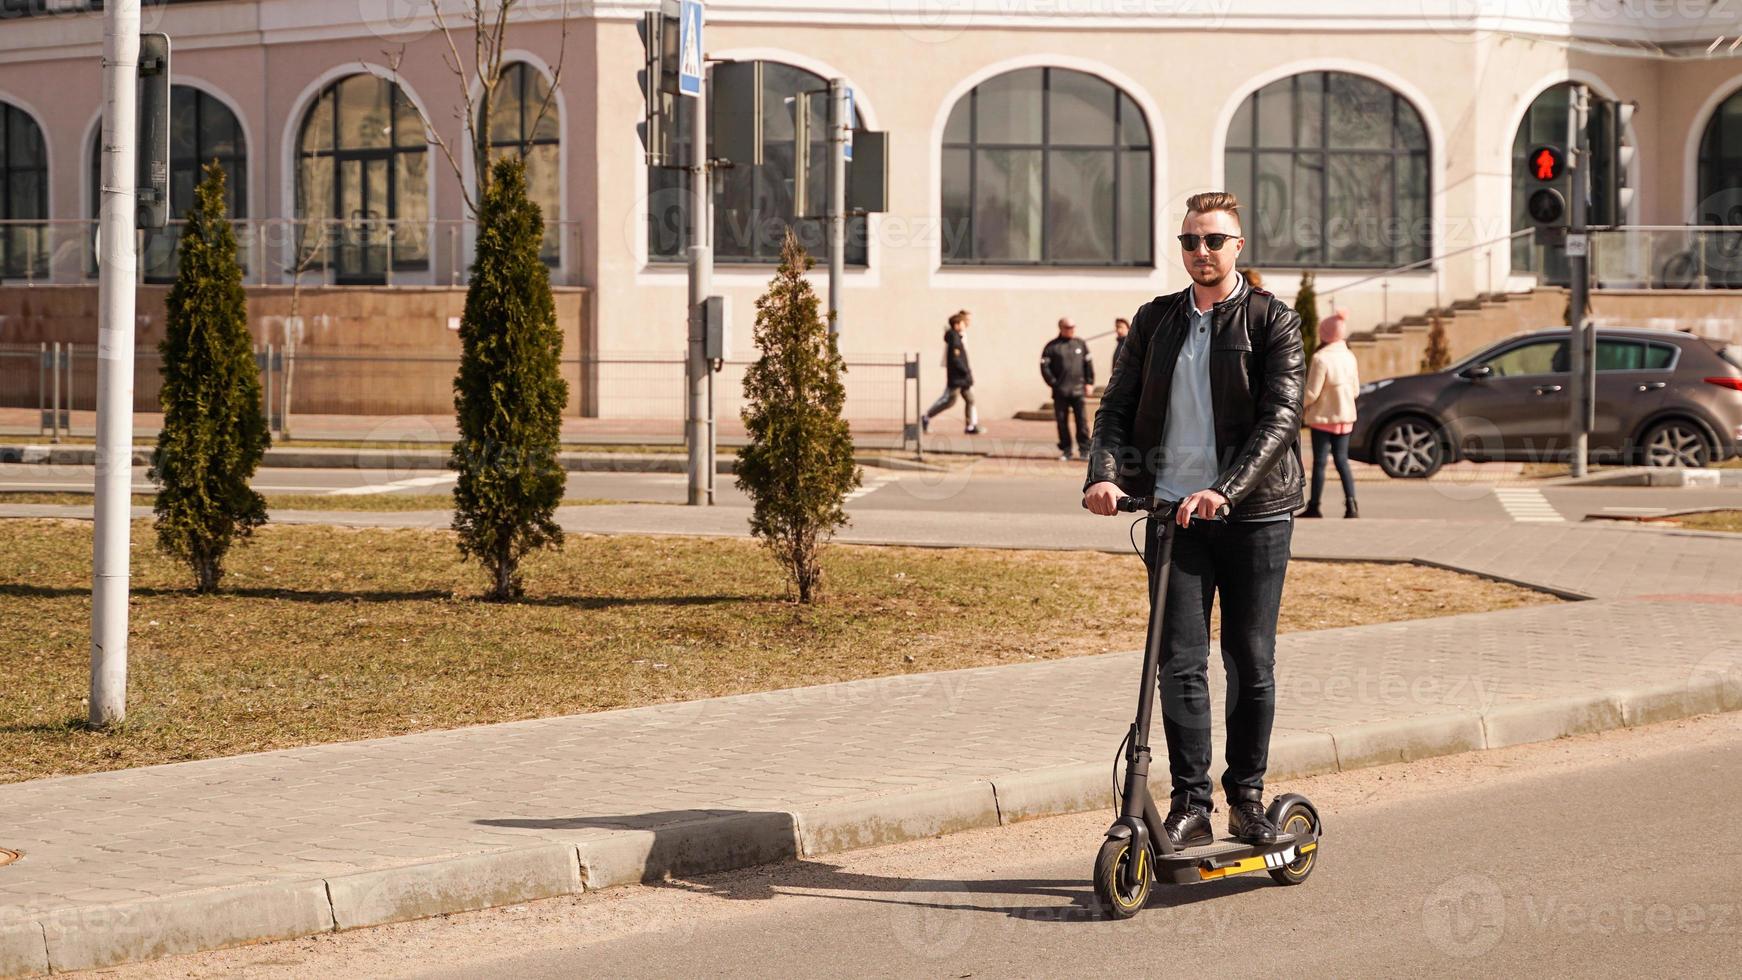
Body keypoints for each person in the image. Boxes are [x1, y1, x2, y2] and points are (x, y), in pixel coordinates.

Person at [1083, 191, 1305, 849]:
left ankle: (1248, 799)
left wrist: (1225, 490)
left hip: (1254, 515)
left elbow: (1281, 418)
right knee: (1178, 663)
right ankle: (1191, 804)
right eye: (1189, 242)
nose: (1200, 252)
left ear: (1238, 247)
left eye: (1213, 240)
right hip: (1170, 515)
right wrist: (1104, 474)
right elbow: (1115, 410)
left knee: (1249, 658)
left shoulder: (1272, 321)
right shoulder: (1155, 321)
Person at [1301, 308, 1360, 518]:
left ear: (1324, 333)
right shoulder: (1349, 356)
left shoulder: (1320, 358)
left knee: (1319, 463)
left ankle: (1315, 506)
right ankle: (1351, 506)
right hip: (1345, 417)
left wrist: (1299, 406)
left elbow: (1311, 392)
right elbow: (1355, 390)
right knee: (1342, 461)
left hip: (1323, 418)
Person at [1041, 318, 1095, 461]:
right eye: (1068, 327)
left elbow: (1088, 365)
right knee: (1062, 421)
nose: (1072, 329)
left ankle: (1084, 449)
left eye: (1073, 326)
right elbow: (1044, 368)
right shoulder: (1052, 347)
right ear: (1061, 328)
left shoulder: (1080, 344)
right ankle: (1066, 450)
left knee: (1081, 421)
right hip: (1061, 392)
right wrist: (1054, 383)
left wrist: (1089, 382)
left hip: (1078, 390)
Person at [922, 310, 983, 435]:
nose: (966, 324)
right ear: (956, 324)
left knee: (970, 399)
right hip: (958, 377)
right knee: (949, 400)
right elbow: (956, 359)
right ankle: (926, 416)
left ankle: (970, 426)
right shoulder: (954, 338)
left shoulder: (958, 337)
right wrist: (965, 371)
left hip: (963, 377)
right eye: (963, 322)